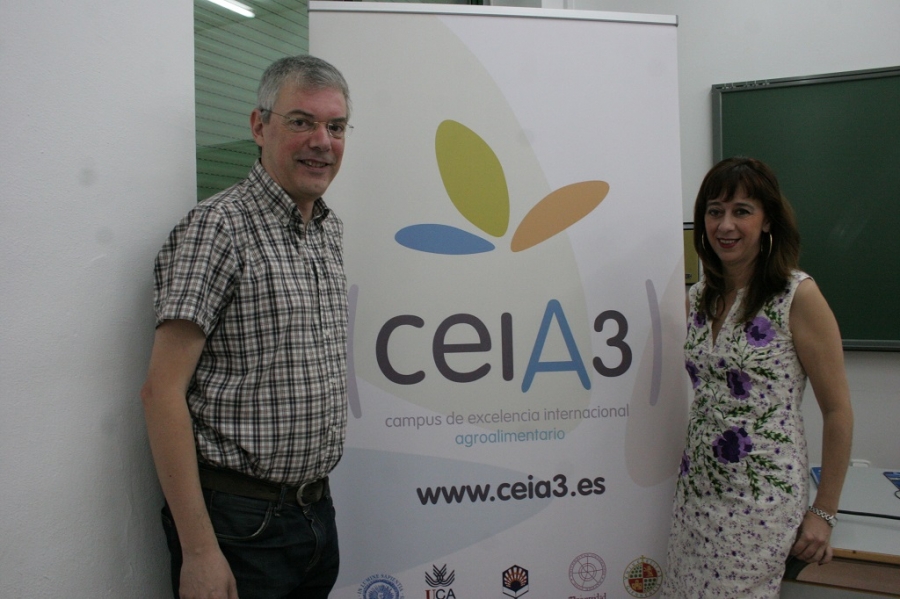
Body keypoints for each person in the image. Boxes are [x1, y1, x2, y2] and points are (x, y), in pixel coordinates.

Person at [141, 54, 353, 599]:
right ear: (259, 126)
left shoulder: (327, 232)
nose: (321, 141)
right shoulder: (217, 229)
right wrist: (200, 552)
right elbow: (162, 392)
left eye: (335, 126)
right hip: (239, 526)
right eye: (301, 121)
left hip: (313, 514)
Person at [661, 157, 854, 598]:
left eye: (741, 211)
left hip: (758, 506)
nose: (725, 225)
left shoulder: (797, 296)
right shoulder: (699, 297)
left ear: (768, 220)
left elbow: (839, 412)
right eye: (714, 211)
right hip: (694, 500)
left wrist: (823, 512)